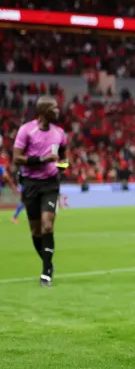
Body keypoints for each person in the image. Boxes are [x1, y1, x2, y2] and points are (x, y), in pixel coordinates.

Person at [12, 96, 67, 287]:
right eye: (54, 108)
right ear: (43, 111)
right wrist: (43, 160)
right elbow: (16, 158)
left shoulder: (60, 133)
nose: (57, 111)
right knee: (36, 231)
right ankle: (48, 263)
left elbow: (63, 158)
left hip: (50, 184)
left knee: (47, 226)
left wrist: (62, 167)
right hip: (30, 184)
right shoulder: (26, 130)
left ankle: (45, 273)